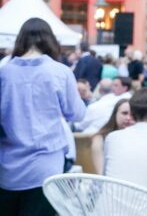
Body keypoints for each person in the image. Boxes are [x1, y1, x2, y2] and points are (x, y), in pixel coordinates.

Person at [0, 18, 86, 216]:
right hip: (45, 169)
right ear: (49, 40)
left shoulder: (4, 73)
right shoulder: (60, 72)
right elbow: (77, 113)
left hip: (8, 169)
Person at [91, 98, 134, 174]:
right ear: (115, 114)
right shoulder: (100, 139)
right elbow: (101, 172)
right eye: (124, 113)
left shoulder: (139, 138)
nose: (128, 118)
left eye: (132, 115)